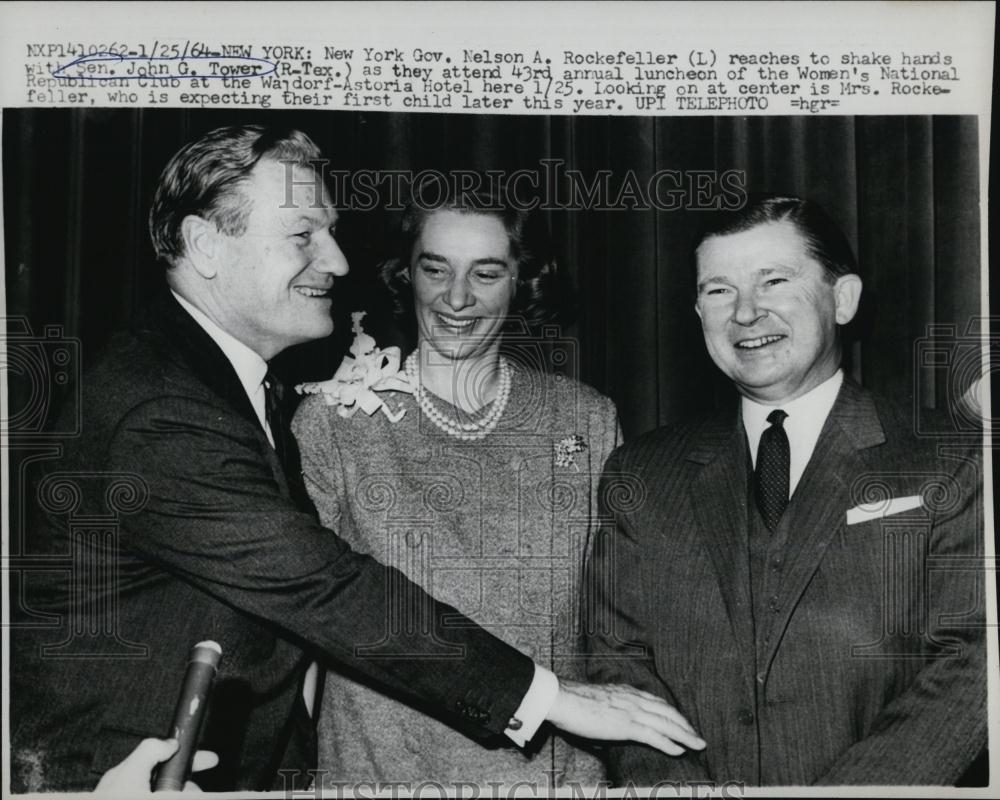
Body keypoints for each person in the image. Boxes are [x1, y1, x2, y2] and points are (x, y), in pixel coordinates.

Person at [9, 125, 703, 793]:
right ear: (205, 245)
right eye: (304, 235)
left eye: (332, 233)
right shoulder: (163, 408)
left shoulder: (224, 385)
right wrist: (545, 695)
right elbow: (327, 591)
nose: (337, 261)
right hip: (118, 778)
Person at [584, 196, 986, 786]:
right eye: (719, 290)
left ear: (842, 299)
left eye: (773, 280)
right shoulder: (640, 473)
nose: (746, 313)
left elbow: (970, 667)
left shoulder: (949, 459)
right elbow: (619, 663)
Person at [292, 194, 620, 787]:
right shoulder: (335, 422)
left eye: (487, 273)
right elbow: (297, 630)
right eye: (435, 268)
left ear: (522, 283)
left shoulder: (584, 419)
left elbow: (618, 624)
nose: (457, 297)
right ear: (406, 274)